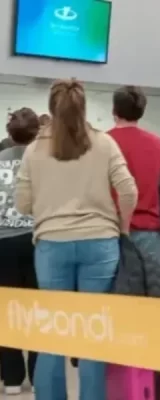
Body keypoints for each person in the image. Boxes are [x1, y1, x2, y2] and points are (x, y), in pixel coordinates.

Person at [15, 79, 138, 400]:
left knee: (53, 335)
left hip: (51, 245)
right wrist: (122, 226)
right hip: (100, 243)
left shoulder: (35, 150)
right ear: (84, 108)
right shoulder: (105, 143)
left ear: (51, 108)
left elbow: (22, 204)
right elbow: (128, 190)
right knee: (93, 334)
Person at [0, 108, 39, 395]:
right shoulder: (43, 160)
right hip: (37, 240)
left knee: (7, 308)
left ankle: (12, 377)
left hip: (3, 241)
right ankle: (38, 373)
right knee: (39, 307)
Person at [109, 85, 160, 276]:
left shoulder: (103, 143)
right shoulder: (158, 144)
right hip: (148, 229)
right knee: (152, 288)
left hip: (111, 229)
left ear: (114, 110)